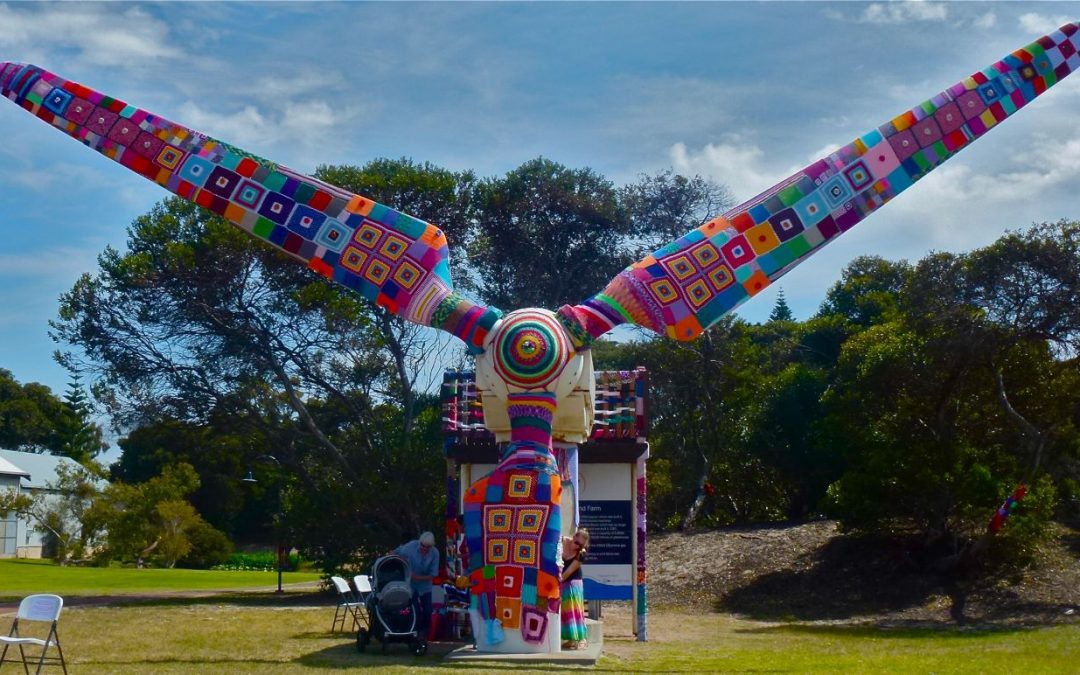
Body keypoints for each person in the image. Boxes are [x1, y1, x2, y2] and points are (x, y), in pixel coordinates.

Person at [394, 531, 439, 636]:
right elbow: (398, 552)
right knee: (415, 610)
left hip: (425, 585)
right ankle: (414, 632)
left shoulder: (435, 553)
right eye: (423, 546)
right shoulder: (411, 547)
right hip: (411, 585)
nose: (424, 549)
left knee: (428, 610)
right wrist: (398, 559)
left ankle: (425, 633)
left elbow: (433, 575)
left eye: (428, 547)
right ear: (419, 543)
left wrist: (417, 577)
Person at [560, 527, 590, 649]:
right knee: (566, 611)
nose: (577, 546)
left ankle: (582, 638)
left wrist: (557, 581)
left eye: (580, 545)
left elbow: (569, 571)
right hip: (563, 582)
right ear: (573, 537)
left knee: (576, 610)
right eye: (576, 542)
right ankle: (572, 638)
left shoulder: (581, 553)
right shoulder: (562, 541)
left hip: (574, 581)